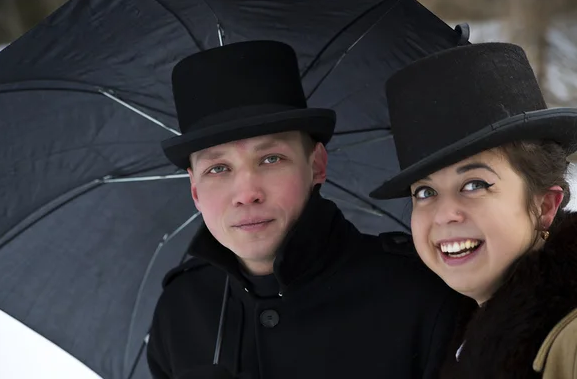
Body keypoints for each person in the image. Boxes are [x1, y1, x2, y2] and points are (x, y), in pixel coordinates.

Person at [146, 40, 465, 379]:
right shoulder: (179, 310)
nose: (247, 193)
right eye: (218, 169)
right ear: (195, 190)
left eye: (271, 159)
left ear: (316, 165)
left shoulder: (419, 294)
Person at [370, 42, 577, 378]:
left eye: (475, 185)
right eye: (424, 191)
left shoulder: (570, 342)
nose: (444, 214)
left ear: (544, 205)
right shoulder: (454, 333)